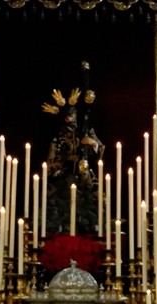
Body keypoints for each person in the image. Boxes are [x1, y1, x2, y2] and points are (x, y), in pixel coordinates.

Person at [42, 64, 105, 234]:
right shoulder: (59, 137)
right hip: (65, 172)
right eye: (68, 117)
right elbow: (51, 158)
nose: (70, 119)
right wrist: (57, 168)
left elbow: (100, 147)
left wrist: (91, 143)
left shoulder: (86, 131)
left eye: (72, 116)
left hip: (84, 171)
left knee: (97, 195)